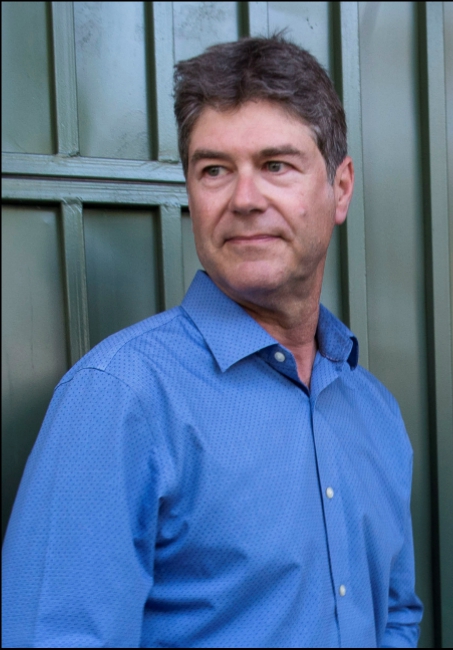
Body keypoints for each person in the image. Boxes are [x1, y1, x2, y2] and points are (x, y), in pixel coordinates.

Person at [2, 32, 422, 647]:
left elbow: (397, 616)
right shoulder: (121, 400)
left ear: (340, 187)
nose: (244, 200)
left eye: (275, 165)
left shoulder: (375, 413)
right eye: (215, 170)